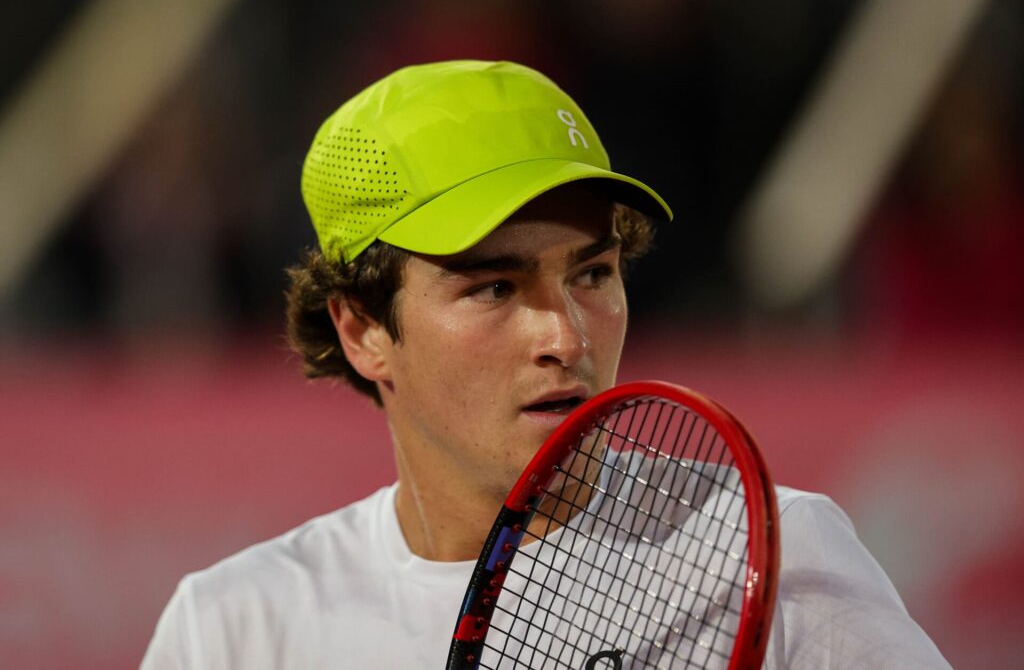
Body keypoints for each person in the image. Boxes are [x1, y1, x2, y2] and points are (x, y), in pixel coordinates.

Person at [142, 60, 950, 668]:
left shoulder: (774, 553)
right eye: (495, 287)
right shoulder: (229, 630)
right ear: (362, 331)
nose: (566, 336)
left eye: (592, 274)